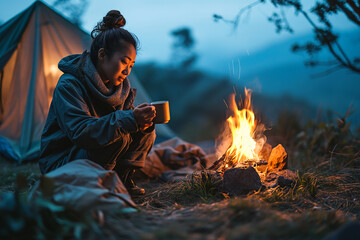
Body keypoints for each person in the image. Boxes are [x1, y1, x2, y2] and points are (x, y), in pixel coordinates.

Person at [38, 10, 156, 196]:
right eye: (124, 62)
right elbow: (82, 132)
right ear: (102, 55)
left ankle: (122, 180)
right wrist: (128, 119)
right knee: (119, 134)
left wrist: (140, 121)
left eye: (131, 65)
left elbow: (123, 122)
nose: (127, 71)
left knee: (146, 131)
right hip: (62, 162)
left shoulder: (120, 88)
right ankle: (99, 185)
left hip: (90, 156)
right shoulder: (70, 85)